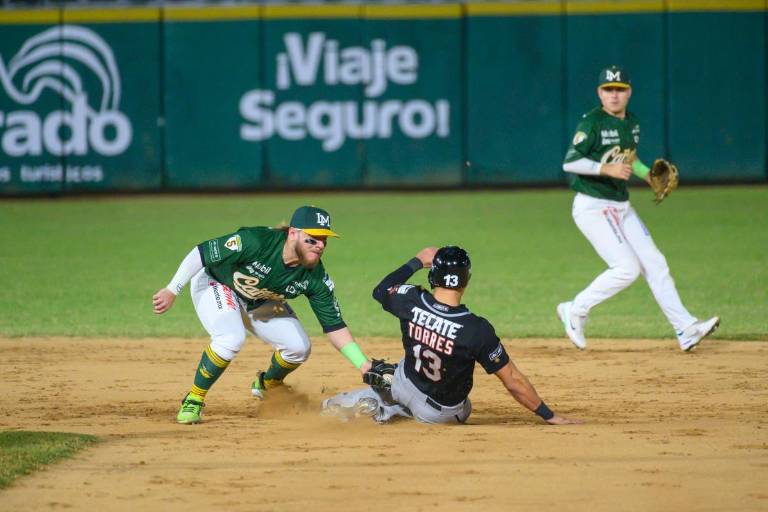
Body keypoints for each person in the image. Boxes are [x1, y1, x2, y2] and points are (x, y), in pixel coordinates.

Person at [153, 205, 374, 424]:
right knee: (231, 338)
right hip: (217, 284)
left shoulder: (315, 277)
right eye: (312, 239)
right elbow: (202, 252)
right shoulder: (257, 241)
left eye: (324, 240)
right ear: (293, 234)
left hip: (259, 298)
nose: (320, 246)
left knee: (298, 347)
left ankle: (267, 384)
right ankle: (194, 399)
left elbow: (334, 326)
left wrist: (364, 365)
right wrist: (172, 289)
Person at [322, 246, 582, 426]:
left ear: (432, 276)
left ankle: (378, 403)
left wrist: (417, 260)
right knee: (463, 406)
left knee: (394, 371)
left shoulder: (411, 299)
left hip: (404, 383)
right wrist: (548, 415)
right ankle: (386, 412)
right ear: (465, 281)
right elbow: (512, 380)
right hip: (440, 414)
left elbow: (381, 290)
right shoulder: (476, 329)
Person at [558, 65, 720, 352]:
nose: (614, 95)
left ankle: (685, 328)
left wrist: (646, 175)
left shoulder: (632, 123)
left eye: (620, 89)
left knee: (655, 263)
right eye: (608, 90)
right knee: (626, 268)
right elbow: (570, 162)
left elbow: (630, 160)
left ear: (629, 92)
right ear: (599, 93)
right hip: (593, 205)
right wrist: (605, 168)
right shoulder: (591, 123)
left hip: (621, 206)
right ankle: (575, 309)